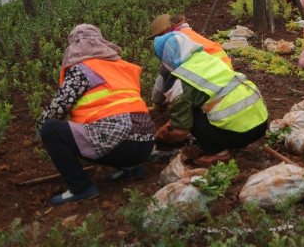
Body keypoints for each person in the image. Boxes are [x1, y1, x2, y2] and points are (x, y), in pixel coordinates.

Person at [36, 25, 155, 206]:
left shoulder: (81, 69)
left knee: (51, 129)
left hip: (122, 141)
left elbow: (57, 108)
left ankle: (81, 187)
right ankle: (131, 169)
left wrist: (40, 129)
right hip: (146, 142)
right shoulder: (122, 66)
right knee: (109, 123)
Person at [154, 31, 268, 166]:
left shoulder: (181, 78)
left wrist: (163, 137)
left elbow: (181, 130)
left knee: (192, 115)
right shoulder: (208, 59)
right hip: (261, 124)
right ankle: (239, 143)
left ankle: (218, 153)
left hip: (240, 133)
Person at [147, 14, 232, 112]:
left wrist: (157, 102)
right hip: (228, 76)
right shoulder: (187, 33)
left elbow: (163, 80)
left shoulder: (176, 42)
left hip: (212, 79)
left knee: (169, 73)